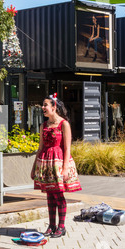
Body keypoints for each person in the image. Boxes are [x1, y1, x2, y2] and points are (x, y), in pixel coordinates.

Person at [31, 94, 82, 238]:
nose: (43, 108)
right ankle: (51, 225)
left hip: (58, 162)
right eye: (43, 105)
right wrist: (34, 166)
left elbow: (67, 148)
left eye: (45, 105)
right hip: (46, 163)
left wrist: (65, 168)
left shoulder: (64, 124)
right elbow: (40, 147)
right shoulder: (43, 125)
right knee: (50, 195)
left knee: (58, 195)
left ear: (54, 107)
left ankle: (62, 226)